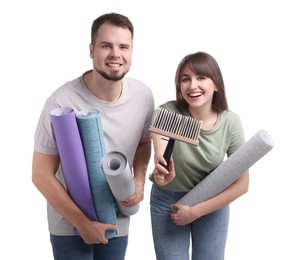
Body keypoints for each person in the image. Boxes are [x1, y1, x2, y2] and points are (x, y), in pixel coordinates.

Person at [32, 12, 154, 260]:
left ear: (131, 52)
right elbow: (40, 175)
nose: (115, 54)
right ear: (91, 50)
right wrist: (82, 222)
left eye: (123, 47)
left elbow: (143, 143)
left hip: (117, 217)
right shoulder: (62, 102)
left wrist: (139, 179)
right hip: (69, 226)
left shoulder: (143, 96)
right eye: (106, 45)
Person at [149, 51, 249, 260]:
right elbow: (159, 134)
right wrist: (160, 162)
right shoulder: (169, 112)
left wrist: (196, 211)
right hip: (168, 201)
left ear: (216, 85)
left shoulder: (230, 122)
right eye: (185, 79)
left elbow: (242, 185)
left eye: (201, 77)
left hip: (211, 201)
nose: (192, 85)